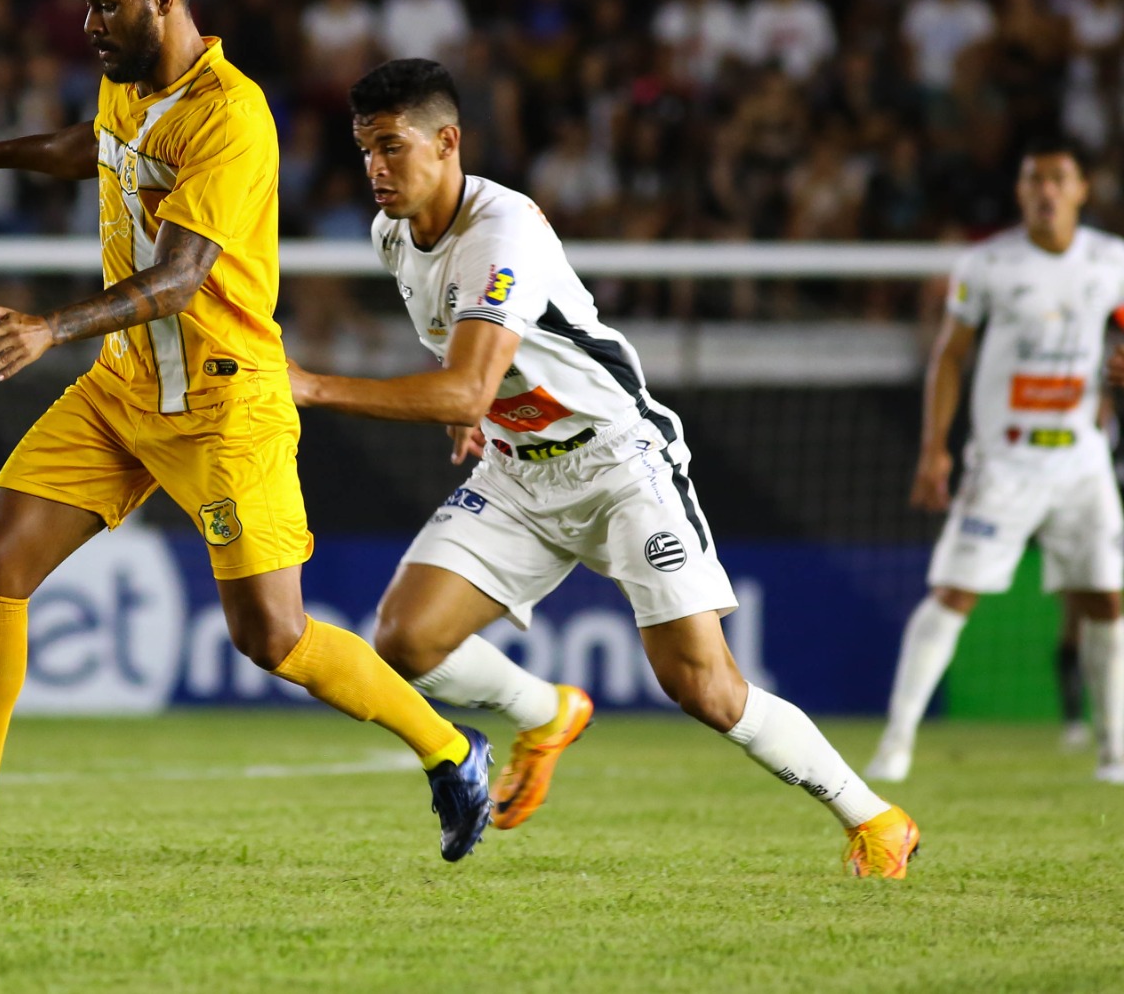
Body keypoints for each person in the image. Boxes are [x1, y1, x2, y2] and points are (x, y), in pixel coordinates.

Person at [0, 0, 491, 873]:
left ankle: (452, 750)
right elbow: (95, 146)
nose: (89, 26)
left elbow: (182, 276)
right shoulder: (127, 86)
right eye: (83, 8)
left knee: (272, 637)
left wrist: (50, 326)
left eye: (104, 7)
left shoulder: (232, 116)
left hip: (224, 403)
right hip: (122, 391)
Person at [286, 58, 920, 877]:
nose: (374, 168)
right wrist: (471, 409)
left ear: (447, 143)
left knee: (705, 688)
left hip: (619, 463)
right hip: (518, 471)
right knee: (406, 639)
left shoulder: (500, 234)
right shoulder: (391, 235)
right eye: (364, 148)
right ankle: (545, 712)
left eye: (391, 147)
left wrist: (316, 386)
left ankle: (874, 818)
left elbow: (467, 380)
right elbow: (472, 366)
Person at [869, 139, 1124, 786]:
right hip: (1005, 463)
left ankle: (1115, 751)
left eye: (1059, 179)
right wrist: (934, 447)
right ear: (1020, 192)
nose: (1046, 191)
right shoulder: (986, 264)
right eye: (1034, 179)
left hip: (1083, 463)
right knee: (953, 595)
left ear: (1081, 191)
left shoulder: (1111, 261)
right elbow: (950, 355)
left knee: (1106, 600)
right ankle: (895, 745)